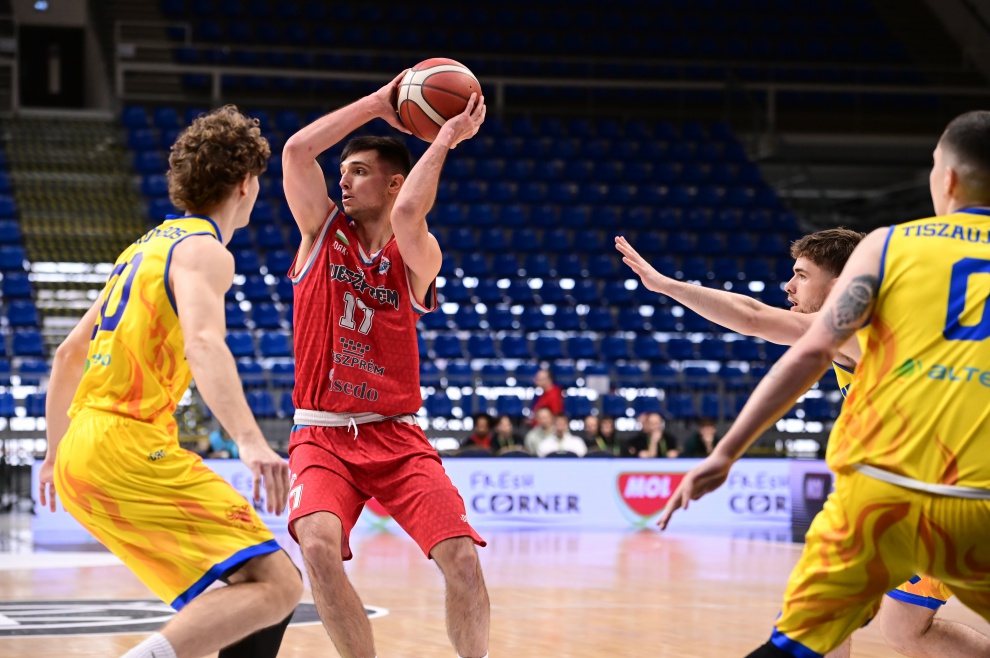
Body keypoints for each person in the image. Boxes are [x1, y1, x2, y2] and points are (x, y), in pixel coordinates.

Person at [651, 110, 990, 658]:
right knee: (906, 630)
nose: (788, 286)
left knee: (812, 632)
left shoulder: (891, 257)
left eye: (801, 276)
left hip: (901, 493)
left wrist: (667, 286)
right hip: (974, 493)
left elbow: (757, 319)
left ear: (947, 178)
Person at [37, 106, 303, 658]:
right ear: (246, 183)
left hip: (81, 450)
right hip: (127, 444)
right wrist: (251, 441)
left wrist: (54, 455)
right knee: (279, 585)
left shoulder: (141, 250)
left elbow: (68, 355)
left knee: (257, 583)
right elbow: (204, 343)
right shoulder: (204, 251)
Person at [281, 72, 490, 658]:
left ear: (394, 182)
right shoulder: (321, 230)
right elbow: (295, 152)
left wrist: (444, 137)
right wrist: (378, 103)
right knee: (316, 546)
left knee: (462, 559)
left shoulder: (417, 251)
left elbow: (411, 212)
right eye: (343, 172)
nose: (344, 182)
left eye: (359, 172)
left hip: (397, 436)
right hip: (322, 435)